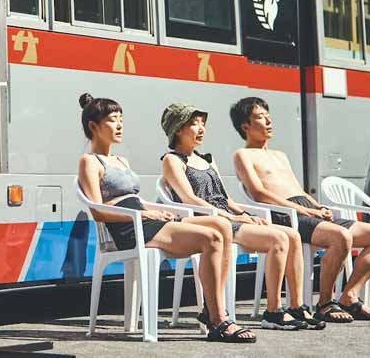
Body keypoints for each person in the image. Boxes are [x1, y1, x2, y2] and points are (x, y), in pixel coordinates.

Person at [76, 93, 255, 343]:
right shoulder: (89, 162)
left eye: (121, 119)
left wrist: (154, 210)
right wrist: (145, 213)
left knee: (222, 225)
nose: (119, 125)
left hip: (146, 219)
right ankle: (218, 317)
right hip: (129, 227)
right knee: (211, 237)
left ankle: (213, 309)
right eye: (112, 120)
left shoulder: (120, 160)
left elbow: (135, 198)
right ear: (93, 126)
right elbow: (97, 210)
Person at [159, 103, 325, 331]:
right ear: (178, 129)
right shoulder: (172, 160)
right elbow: (189, 199)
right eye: (193, 124)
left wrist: (245, 214)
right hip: (208, 221)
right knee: (279, 240)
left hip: (227, 217)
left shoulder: (206, 159)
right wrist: (231, 217)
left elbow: (225, 198)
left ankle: (296, 307)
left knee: (292, 235)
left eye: (202, 123)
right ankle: (273, 312)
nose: (200, 129)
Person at [230, 96, 370, 323]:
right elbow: (259, 193)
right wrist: (304, 211)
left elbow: (298, 189)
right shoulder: (243, 155)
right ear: (245, 126)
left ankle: (349, 297)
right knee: (341, 237)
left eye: (268, 116)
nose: (268, 121)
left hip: (305, 210)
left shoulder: (280, 155)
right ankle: (325, 303)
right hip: (283, 214)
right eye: (260, 117)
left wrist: (317, 206)